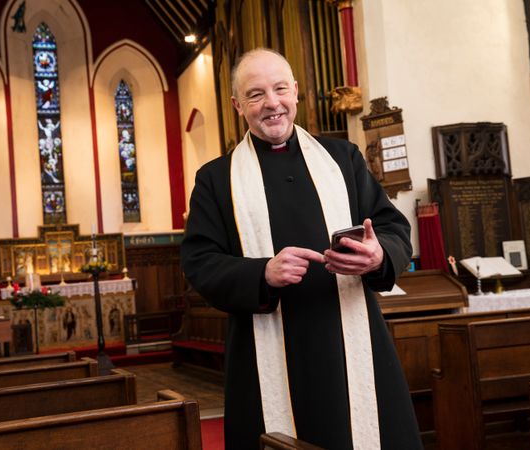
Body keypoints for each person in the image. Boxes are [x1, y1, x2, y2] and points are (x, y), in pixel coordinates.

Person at [180, 48, 421, 449]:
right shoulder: (215, 180)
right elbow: (200, 263)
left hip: (352, 336)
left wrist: (378, 256)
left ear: (295, 92)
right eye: (256, 95)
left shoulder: (342, 158)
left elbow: (393, 227)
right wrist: (262, 273)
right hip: (264, 346)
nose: (272, 104)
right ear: (239, 105)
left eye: (279, 89)